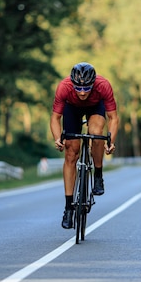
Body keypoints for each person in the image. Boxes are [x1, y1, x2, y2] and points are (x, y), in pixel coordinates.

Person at [50, 62, 119, 229]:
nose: (82, 92)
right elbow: (55, 118)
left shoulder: (103, 85)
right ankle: (68, 208)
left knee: (96, 132)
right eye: (78, 88)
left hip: (95, 107)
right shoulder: (64, 87)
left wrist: (111, 141)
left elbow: (113, 118)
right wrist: (57, 138)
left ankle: (98, 176)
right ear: (72, 84)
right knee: (71, 152)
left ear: (93, 83)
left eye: (86, 88)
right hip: (71, 109)